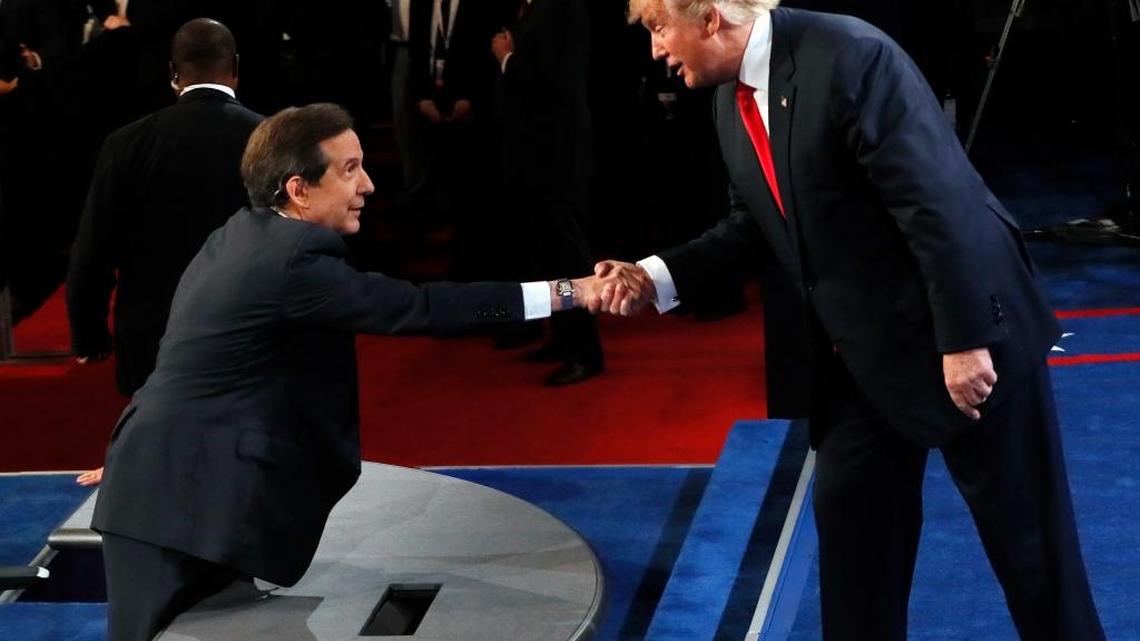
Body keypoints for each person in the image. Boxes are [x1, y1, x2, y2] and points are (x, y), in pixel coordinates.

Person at [594, 1, 1106, 639]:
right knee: (855, 552)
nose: (654, 50)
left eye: (656, 28)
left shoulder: (849, 56)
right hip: (862, 353)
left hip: (969, 332)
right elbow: (757, 224)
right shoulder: (731, 100)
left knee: (1033, 554)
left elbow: (935, 202)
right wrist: (653, 277)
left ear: (709, 18)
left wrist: (967, 341)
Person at [90, 102, 612, 641]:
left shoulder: (241, 233)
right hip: (174, 502)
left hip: (184, 486)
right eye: (349, 169)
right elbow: (424, 307)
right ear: (299, 189)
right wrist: (569, 292)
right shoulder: (293, 265)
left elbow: (197, 359)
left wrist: (144, 446)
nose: (367, 184)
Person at [68, 18, 262, 397]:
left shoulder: (125, 143)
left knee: (158, 445)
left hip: (151, 330)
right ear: (235, 67)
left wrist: (89, 333)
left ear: (173, 72)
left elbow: (94, 247)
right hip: (246, 325)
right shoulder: (268, 139)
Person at [491, 0, 604, 386]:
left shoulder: (562, 8)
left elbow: (552, 77)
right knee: (545, 251)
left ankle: (584, 352)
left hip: (555, 151)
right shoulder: (539, 7)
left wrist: (507, 59)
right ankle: (564, 337)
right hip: (536, 150)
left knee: (565, 253)